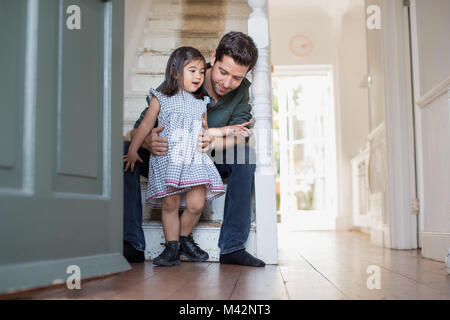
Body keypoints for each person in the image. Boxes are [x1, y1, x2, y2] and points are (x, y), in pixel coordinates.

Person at [123, 31, 265, 267]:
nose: (227, 83)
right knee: (126, 150)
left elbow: (242, 137)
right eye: (222, 72)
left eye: (237, 78)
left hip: (205, 161)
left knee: (246, 156)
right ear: (213, 58)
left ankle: (232, 247)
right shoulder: (183, 78)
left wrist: (214, 141)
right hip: (167, 157)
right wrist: (148, 141)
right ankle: (132, 244)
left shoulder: (242, 91)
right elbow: (140, 127)